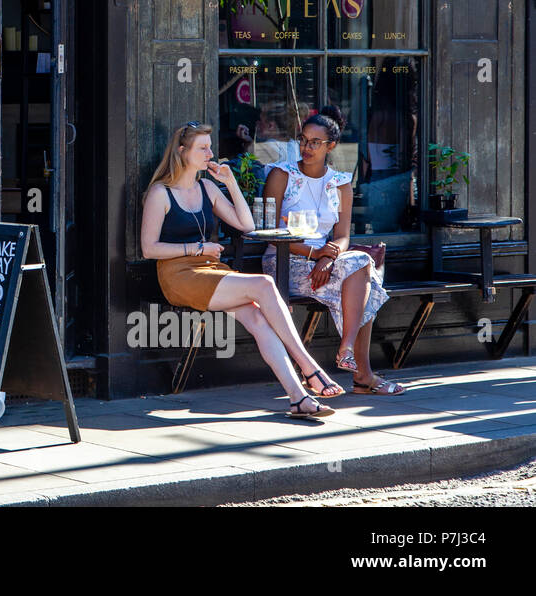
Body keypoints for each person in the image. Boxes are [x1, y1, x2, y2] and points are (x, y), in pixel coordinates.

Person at [140, 121, 343, 418]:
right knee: (262, 284)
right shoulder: (161, 193)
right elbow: (149, 249)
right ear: (183, 152)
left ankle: (298, 398)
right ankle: (309, 366)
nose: (211, 152)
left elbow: (246, 225)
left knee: (259, 319)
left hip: (210, 269)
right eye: (203, 148)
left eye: (210, 146)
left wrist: (231, 182)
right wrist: (196, 249)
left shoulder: (207, 187)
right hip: (178, 275)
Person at [261, 105, 405, 395]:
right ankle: (360, 371)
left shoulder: (340, 184)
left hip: (325, 261)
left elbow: (341, 236)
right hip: (286, 260)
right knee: (368, 279)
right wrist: (317, 256)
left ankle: (349, 352)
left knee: (362, 270)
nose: (306, 147)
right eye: (303, 139)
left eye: (315, 142)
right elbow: (268, 233)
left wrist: (328, 257)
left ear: (332, 146)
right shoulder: (281, 175)